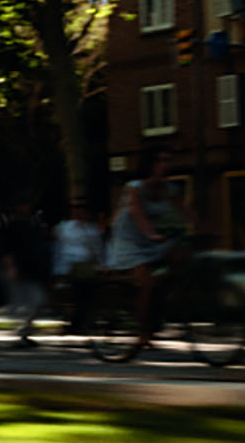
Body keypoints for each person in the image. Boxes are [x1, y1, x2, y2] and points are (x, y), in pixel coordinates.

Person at [106, 146, 191, 350]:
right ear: (150, 164)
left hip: (153, 236)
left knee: (179, 262)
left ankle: (160, 311)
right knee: (147, 283)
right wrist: (151, 234)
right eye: (160, 159)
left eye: (168, 159)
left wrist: (203, 228)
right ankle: (142, 333)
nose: (165, 164)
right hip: (129, 238)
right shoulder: (134, 187)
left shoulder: (170, 189)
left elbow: (185, 211)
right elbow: (136, 212)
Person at [0, 201, 51, 348]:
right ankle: (22, 333)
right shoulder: (12, 227)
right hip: (22, 268)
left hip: (34, 269)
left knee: (36, 301)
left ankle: (25, 332)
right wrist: (11, 268)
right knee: (27, 301)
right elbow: (7, 250)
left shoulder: (33, 224)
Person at [52, 199, 105, 335]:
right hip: (68, 267)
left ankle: (80, 322)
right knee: (81, 288)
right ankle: (78, 322)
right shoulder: (63, 228)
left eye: (82, 207)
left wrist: (102, 265)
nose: (79, 211)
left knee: (86, 287)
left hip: (86, 267)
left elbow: (98, 250)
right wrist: (58, 270)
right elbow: (59, 249)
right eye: (75, 207)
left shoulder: (92, 229)